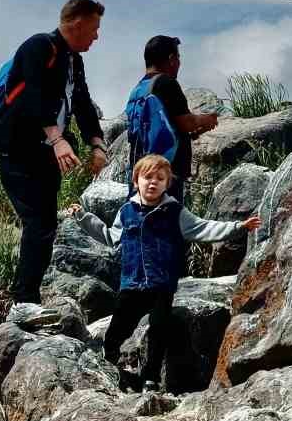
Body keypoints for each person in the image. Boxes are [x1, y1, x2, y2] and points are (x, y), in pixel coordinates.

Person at [68, 153, 259, 392]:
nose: (153, 182)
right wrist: (82, 217)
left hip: (161, 284)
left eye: (160, 178)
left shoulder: (174, 211)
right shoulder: (126, 212)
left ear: (167, 184)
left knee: (159, 328)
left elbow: (203, 228)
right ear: (136, 180)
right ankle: (108, 363)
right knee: (118, 328)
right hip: (131, 283)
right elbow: (109, 236)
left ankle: (151, 378)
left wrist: (238, 227)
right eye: (147, 177)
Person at [0, 0, 109, 306]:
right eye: (94, 28)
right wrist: (57, 139)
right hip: (16, 150)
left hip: (43, 155)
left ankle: (28, 296)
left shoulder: (72, 61)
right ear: (77, 24)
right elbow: (33, 93)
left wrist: (97, 144)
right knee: (39, 224)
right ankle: (23, 301)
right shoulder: (39, 46)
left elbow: (81, 103)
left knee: (45, 227)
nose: (96, 36)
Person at [124, 35, 219, 204]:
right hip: (165, 173)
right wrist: (206, 119)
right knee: (168, 224)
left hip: (141, 170)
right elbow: (186, 122)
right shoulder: (167, 83)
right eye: (178, 58)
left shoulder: (138, 90)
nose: (179, 63)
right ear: (171, 59)